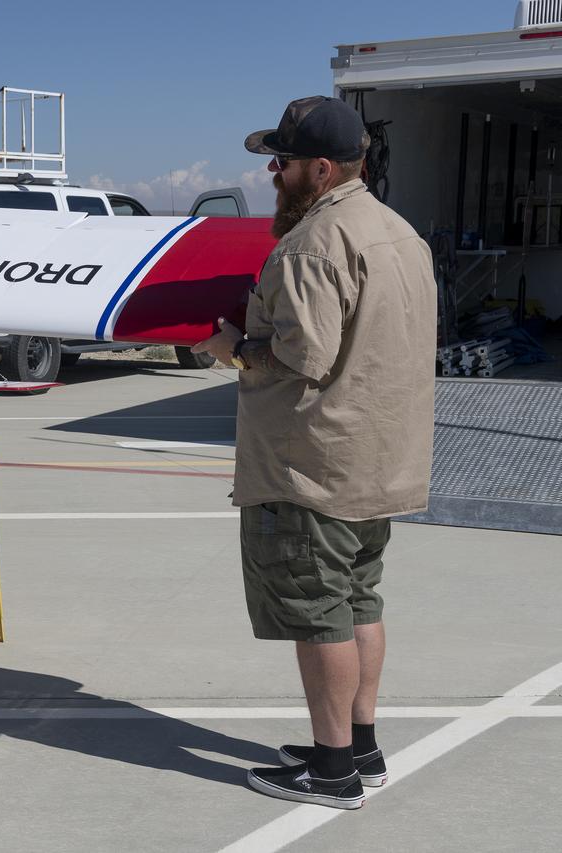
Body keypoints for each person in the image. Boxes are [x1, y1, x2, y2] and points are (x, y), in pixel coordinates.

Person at [192, 96, 436, 810]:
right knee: (360, 600)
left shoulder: (309, 246)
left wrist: (229, 345)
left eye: (284, 160)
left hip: (312, 467)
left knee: (317, 613)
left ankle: (332, 768)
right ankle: (360, 744)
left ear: (321, 169)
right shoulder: (401, 234)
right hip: (377, 460)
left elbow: (303, 356)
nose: (273, 171)